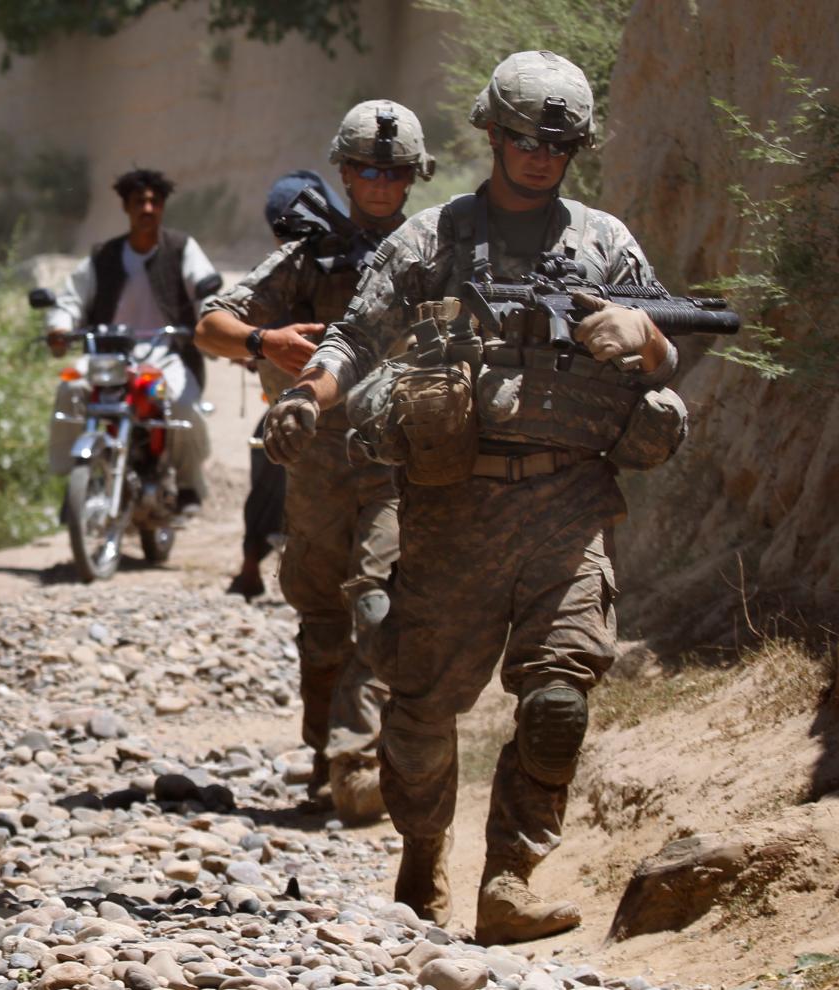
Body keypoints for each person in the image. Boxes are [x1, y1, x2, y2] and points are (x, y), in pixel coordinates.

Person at [265, 52, 684, 944]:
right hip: (452, 511)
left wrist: (639, 332)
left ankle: (510, 879)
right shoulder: (431, 239)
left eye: (559, 143)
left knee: (559, 698)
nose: (540, 156)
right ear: (492, 133)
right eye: (525, 138)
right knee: (421, 706)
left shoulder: (605, 242)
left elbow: (671, 355)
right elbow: (354, 337)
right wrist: (307, 397)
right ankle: (422, 863)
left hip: (569, 508)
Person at [198, 103, 435, 823]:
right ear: (342, 170)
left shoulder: (435, 250)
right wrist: (264, 341)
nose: (380, 183)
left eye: (394, 171)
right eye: (366, 168)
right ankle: (327, 751)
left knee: (380, 595)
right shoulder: (311, 255)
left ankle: (360, 759)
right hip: (319, 457)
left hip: (403, 457)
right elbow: (212, 322)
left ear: (413, 177)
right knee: (323, 612)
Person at [45, 168, 220, 512]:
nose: (148, 208)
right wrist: (60, 328)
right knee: (70, 390)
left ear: (164, 207)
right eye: (140, 201)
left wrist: (212, 321)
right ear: (126, 207)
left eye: (155, 201)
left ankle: (188, 485)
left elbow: (206, 291)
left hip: (166, 354)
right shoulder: (103, 256)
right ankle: (74, 480)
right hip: (109, 355)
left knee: (183, 406)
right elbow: (71, 300)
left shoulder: (182, 249)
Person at [226, 171, 348, 601]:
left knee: (266, 456)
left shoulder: (315, 267)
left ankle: (250, 566)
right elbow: (231, 325)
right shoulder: (307, 266)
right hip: (313, 403)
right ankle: (252, 567)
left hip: (336, 406)